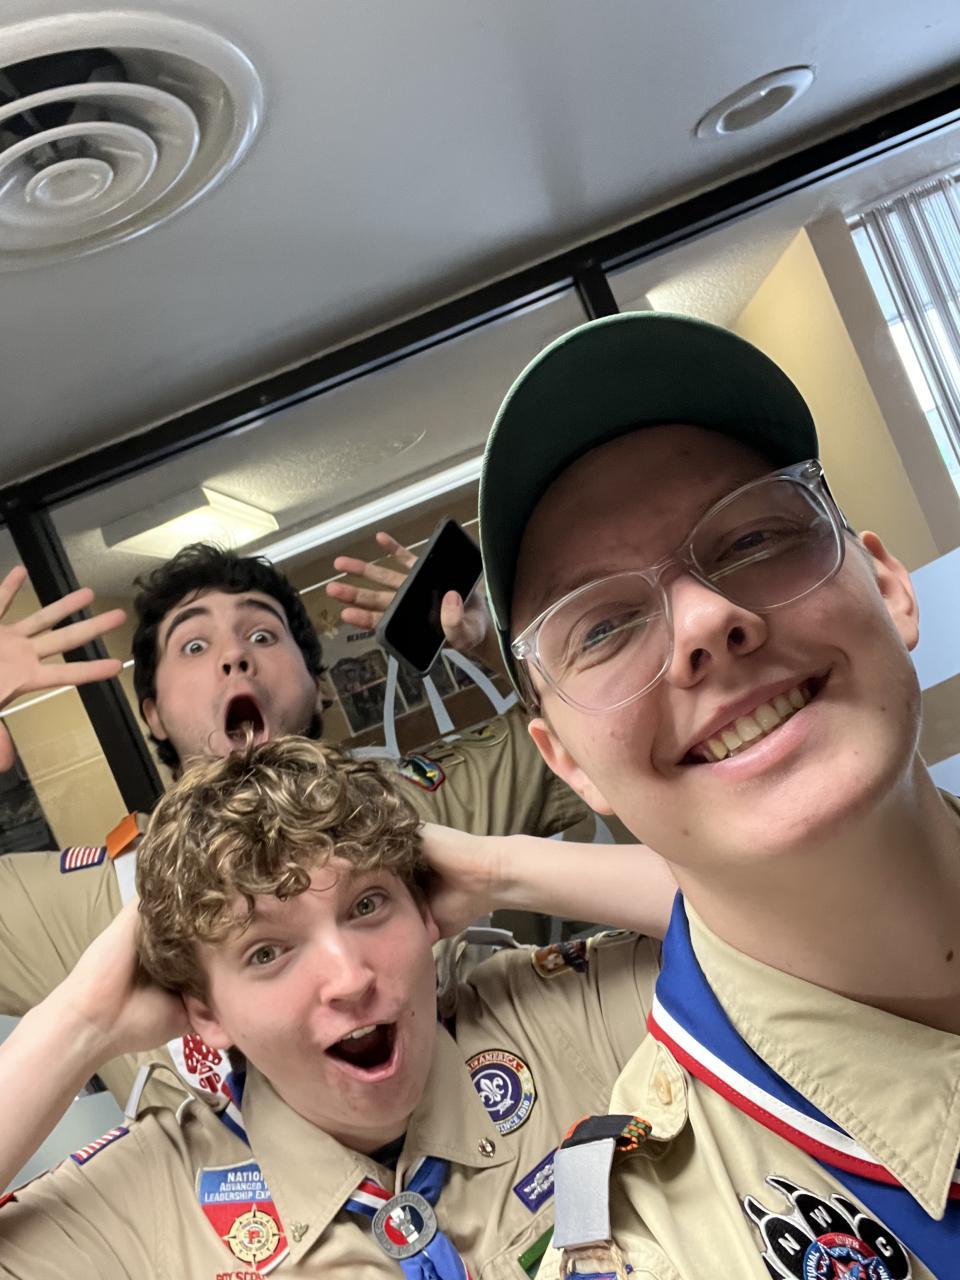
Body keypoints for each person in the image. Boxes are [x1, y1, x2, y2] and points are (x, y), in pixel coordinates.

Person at [474, 311, 960, 1278]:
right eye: (603, 627)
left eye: (753, 538)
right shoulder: (641, 1247)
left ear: (889, 585)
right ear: (566, 763)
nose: (704, 619)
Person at [0, 736, 671, 1277]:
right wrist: (78, 1025)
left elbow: (740, 929)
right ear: (206, 1013)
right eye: (267, 951)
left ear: (426, 911)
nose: (348, 978)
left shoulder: (547, 1022)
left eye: (367, 905)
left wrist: (503, 871)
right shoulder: (151, 1202)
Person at [0, 542, 590, 1111]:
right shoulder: (92, 899)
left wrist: (499, 647)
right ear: (152, 713)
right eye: (195, 645)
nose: (235, 658)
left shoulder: (410, 810)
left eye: (262, 635)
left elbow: (592, 738)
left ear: (319, 686)